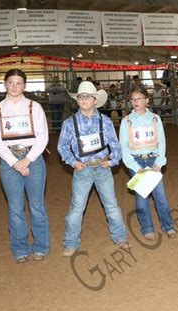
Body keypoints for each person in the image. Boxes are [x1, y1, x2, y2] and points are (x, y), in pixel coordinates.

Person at [57, 81, 130, 257]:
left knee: (111, 206)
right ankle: (71, 242)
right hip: (82, 170)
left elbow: (116, 145)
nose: (83, 99)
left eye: (87, 96)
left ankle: (120, 237)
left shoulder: (105, 122)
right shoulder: (69, 123)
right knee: (77, 207)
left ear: (95, 100)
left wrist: (111, 162)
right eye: (80, 97)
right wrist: (73, 162)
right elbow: (62, 147)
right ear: (77, 100)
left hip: (102, 168)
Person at [0, 69, 50, 263]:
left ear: (24, 85)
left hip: (33, 158)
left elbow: (43, 137)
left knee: (37, 205)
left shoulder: (35, 107)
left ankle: (41, 245)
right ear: (5, 84)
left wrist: (27, 159)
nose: (15, 86)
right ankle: (20, 248)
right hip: (9, 161)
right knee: (15, 207)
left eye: (19, 83)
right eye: (11, 82)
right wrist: (15, 162)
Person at [119, 86, 177, 240]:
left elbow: (161, 142)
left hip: (154, 160)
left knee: (161, 195)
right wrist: (136, 168)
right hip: (136, 162)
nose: (135, 102)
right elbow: (124, 147)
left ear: (146, 100)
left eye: (139, 98)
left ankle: (168, 225)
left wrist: (159, 162)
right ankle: (147, 227)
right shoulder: (126, 122)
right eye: (133, 99)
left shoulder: (155, 119)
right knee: (141, 197)